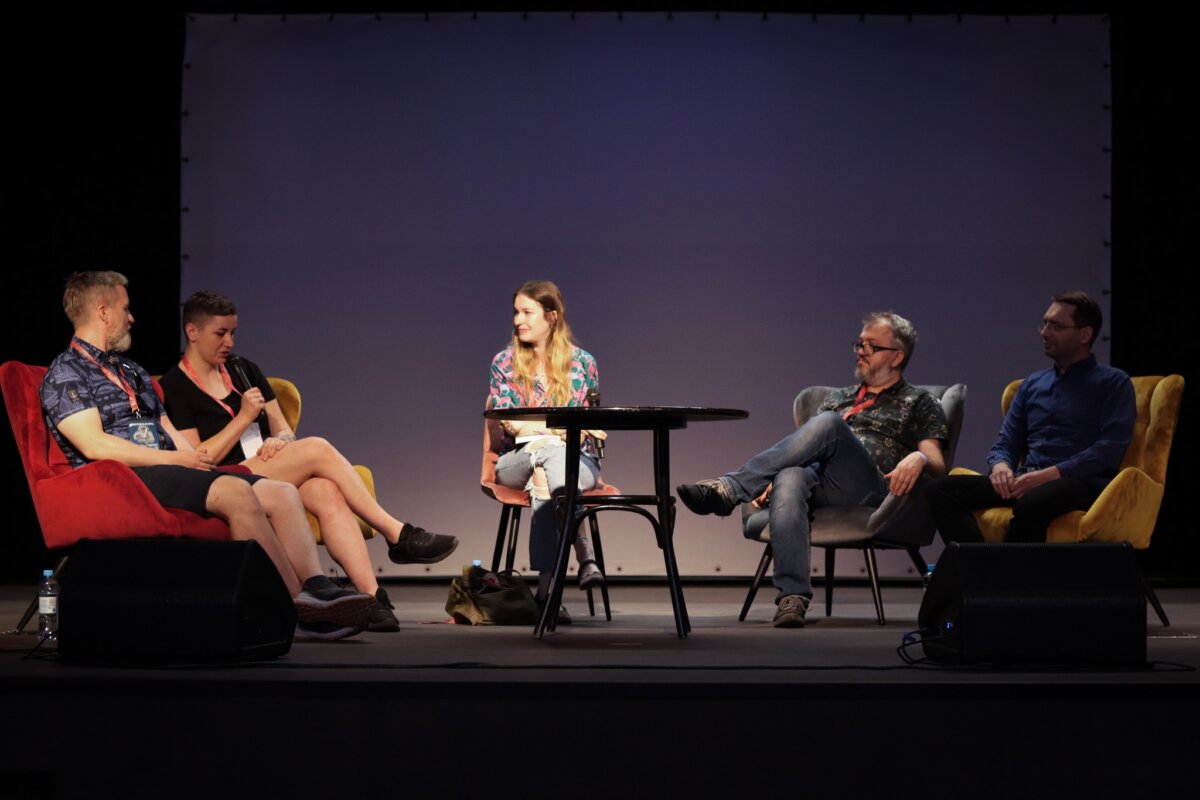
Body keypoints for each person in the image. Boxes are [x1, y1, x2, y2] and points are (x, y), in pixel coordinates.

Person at [40, 272, 371, 641]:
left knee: (279, 491)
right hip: (122, 479)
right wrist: (174, 461)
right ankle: (294, 611)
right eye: (125, 309)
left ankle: (316, 587)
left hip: (168, 470)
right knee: (235, 492)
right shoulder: (66, 372)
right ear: (103, 312)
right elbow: (94, 445)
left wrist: (195, 460)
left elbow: (164, 427)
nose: (131, 318)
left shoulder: (130, 371)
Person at [158, 291, 460, 633]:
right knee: (316, 448)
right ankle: (398, 534)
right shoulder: (175, 385)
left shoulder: (242, 369)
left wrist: (280, 442)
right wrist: (242, 419)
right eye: (220, 333)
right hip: (225, 479)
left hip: (268, 468)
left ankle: (371, 597)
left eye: (233, 332)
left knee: (326, 489)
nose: (230, 342)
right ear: (192, 331)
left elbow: (283, 429)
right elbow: (199, 458)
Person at [677, 311, 948, 628]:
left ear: (897, 356)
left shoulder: (919, 401)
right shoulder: (838, 398)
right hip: (822, 484)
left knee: (829, 425)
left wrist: (919, 457)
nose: (860, 351)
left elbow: (938, 463)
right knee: (789, 476)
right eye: (859, 344)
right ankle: (792, 597)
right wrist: (774, 481)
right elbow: (804, 450)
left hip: (872, 491)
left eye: (871, 346)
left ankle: (730, 489)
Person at [928, 291, 1135, 544]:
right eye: (1044, 324)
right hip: (1028, 479)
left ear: (1085, 335)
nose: (1045, 332)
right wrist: (1001, 467)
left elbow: (1109, 449)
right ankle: (978, 565)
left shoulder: (1114, 382)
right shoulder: (1032, 384)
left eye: (1056, 326)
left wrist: (1050, 474)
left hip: (1079, 482)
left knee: (1034, 500)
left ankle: (1003, 569)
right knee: (940, 490)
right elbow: (1005, 443)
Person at [488, 280, 607, 623]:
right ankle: (584, 553)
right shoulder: (504, 363)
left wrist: (545, 429)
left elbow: (588, 427)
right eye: (516, 312)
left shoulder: (583, 363)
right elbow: (513, 425)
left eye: (527, 312)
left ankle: (546, 593)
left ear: (552, 316)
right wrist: (559, 431)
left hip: (578, 462)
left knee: (547, 473)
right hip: (515, 461)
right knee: (551, 454)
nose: (518, 320)